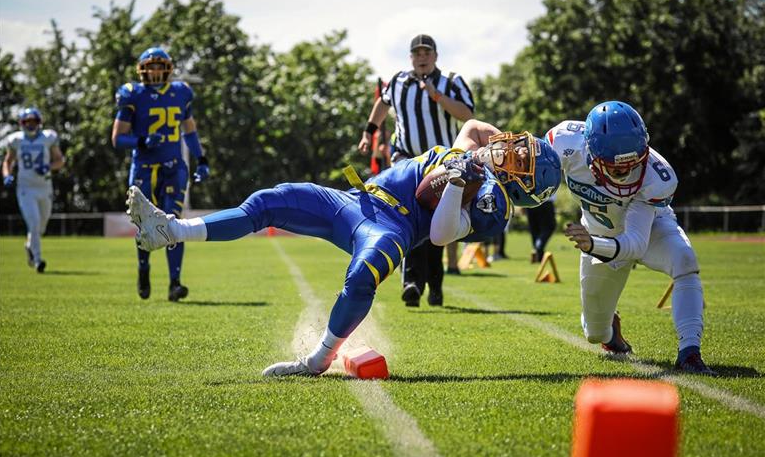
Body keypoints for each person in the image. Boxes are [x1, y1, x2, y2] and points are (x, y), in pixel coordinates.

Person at [127, 119, 561, 377]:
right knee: (268, 201)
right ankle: (173, 231)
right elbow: (472, 127)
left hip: (394, 227)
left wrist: (459, 183)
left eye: (519, 159)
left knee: (364, 274)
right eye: (515, 145)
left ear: (522, 186)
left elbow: (442, 234)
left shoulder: (493, 205)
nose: (509, 150)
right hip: (356, 200)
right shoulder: (479, 151)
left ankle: (317, 360)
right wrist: (476, 152)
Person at [547, 101, 714, 375]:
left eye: (634, 164)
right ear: (591, 153)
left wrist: (591, 245)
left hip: (649, 227)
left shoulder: (657, 177)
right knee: (594, 333)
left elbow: (636, 244)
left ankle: (690, 352)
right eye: (616, 169)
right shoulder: (565, 142)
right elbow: (537, 168)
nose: (627, 174)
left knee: (684, 259)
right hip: (598, 232)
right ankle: (611, 332)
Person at [358, 34, 475, 306]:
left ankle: (435, 283)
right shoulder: (399, 81)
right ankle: (411, 281)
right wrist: (368, 132)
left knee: (435, 222)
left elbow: (467, 114)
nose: (422, 57)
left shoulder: (452, 80)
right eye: (417, 53)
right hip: (406, 159)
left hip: (442, 162)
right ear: (411, 57)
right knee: (408, 217)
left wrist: (436, 96)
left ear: (435, 56)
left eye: (426, 52)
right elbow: (382, 103)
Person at [111, 47, 210, 302]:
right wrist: (142, 141)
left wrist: (201, 159)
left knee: (173, 223)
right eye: (151, 66)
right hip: (144, 167)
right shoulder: (133, 94)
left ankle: (175, 283)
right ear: (143, 69)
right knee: (145, 223)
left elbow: (189, 131)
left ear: (167, 69)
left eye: (159, 66)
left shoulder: (180, 92)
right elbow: (118, 138)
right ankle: (144, 268)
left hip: (173, 165)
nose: (155, 71)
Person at [1, 107, 65, 273]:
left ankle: (30, 245)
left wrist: (48, 167)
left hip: (44, 187)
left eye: (33, 121)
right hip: (26, 187)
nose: (30, 125)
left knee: (41, 227)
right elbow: (8, 162)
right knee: (34, 223)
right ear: (22, 123)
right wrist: (7, 175)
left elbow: (59, 160)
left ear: (39, 122)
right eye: (27, 122)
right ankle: (37, 260)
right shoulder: (15, 140)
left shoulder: (48, 138)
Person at [526, 196, 556, 263]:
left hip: (530, 202)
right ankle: (538, 248)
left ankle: (538, 254)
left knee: (534, 229)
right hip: (546, 202)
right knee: (549, 228)